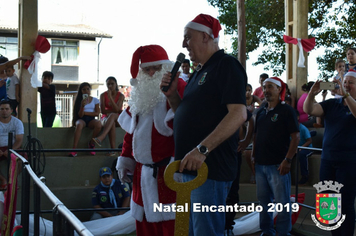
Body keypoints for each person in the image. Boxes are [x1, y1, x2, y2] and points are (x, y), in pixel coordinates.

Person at [160, 14, 247, 236]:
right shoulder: (199, 71)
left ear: (206, 36)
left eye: (187, 38)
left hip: (209, 170)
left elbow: (238, 114)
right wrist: (172, 97)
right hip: (189, 168)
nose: (183, 44)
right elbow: (188, 116)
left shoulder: (226, 66)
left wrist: (202, 150)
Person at [116, 45, 186, 236]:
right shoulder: (139, 95)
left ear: (166, 67)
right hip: (142, 175)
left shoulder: (178, 87)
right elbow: (130, 133)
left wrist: (177, 164)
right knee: (144, 225)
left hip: (168, 172)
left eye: (156, 67)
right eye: (147, 69)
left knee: (171, 226)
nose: (151, 72)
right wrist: (124, 160)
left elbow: (186, 131)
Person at [303, 69, 356, 236]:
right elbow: (309, 110)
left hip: (349, 162)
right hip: (328, 160)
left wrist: (346, 95)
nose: (346, 85)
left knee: (345, 203)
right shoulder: (332, 104)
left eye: (350, 82)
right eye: (344, 81)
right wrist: (312, 93)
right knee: (328, 201)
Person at [251, 77, 299, 236]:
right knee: (263, 203)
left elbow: (296, 137)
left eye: (270, 87)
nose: (266, 90)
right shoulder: (261, 112)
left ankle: (283, 233)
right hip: (260, 164)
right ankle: (267, 231)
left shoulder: (287, 111)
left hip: (278, 165)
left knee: (282, 203)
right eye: (264, 87)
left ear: (279, 89)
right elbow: (256, 135)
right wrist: (253, 155)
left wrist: (288, 160)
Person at [225, 109, 254, 235]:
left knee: (232, 192)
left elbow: (251, 119)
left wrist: (247, 140)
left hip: (232, 154)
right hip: (213, 155)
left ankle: (228, 226)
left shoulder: (234, 102)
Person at [92, 76, 124, 156]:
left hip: (118, 118)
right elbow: (103, 111)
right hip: (106, 118)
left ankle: (102, 137)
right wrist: (114, 111)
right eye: (108, 84)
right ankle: (113, 150)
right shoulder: (103, 95)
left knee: (113, 115)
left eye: (112, 84)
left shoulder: (121, 96)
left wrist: (110, 98)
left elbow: (117, 110)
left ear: (116, 84)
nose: (110, 86)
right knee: (111, 122)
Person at [70, 82, 102, 157]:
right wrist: (82, 106)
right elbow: (80, 115)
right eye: (84, 89)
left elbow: (97, 113)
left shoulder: (95, 100)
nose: (86, 91)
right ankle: (74, 149)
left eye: (88, 89)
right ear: (81, 91)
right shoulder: (79, 100)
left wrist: (85, 113)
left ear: (90, 90)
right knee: (79, 125)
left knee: (99, 124)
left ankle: (91, 143)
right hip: (82, 119)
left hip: (91, 120)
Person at [0, 100, 24, 191]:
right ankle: (3, 180)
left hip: (13, 147)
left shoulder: (17, 123)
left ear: (11, 110)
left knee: (21, 160)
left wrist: (11, 150)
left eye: (6, 109)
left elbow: (19, 140)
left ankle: (12, 181)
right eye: (2, 109)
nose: (4, 111)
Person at [294, 110, 313, 185]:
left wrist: (301, 147)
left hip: (307, 148)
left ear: (297, 117)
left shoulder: (303, 128)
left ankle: (305, 175)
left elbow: (309, 140)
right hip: (295, 147)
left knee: (302, 154)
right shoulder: (290, 128)